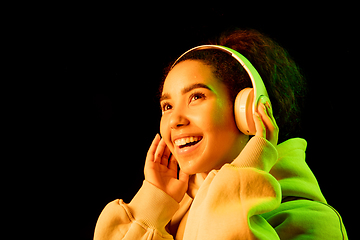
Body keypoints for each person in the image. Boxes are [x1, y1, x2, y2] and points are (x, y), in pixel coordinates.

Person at [94, 29, 347, 239]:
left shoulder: (313, 222)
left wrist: (243, 178)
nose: (175, 121)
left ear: (246, 110)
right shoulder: (169, 218)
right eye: (167, 106)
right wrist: (151, 206)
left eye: (196, 97)